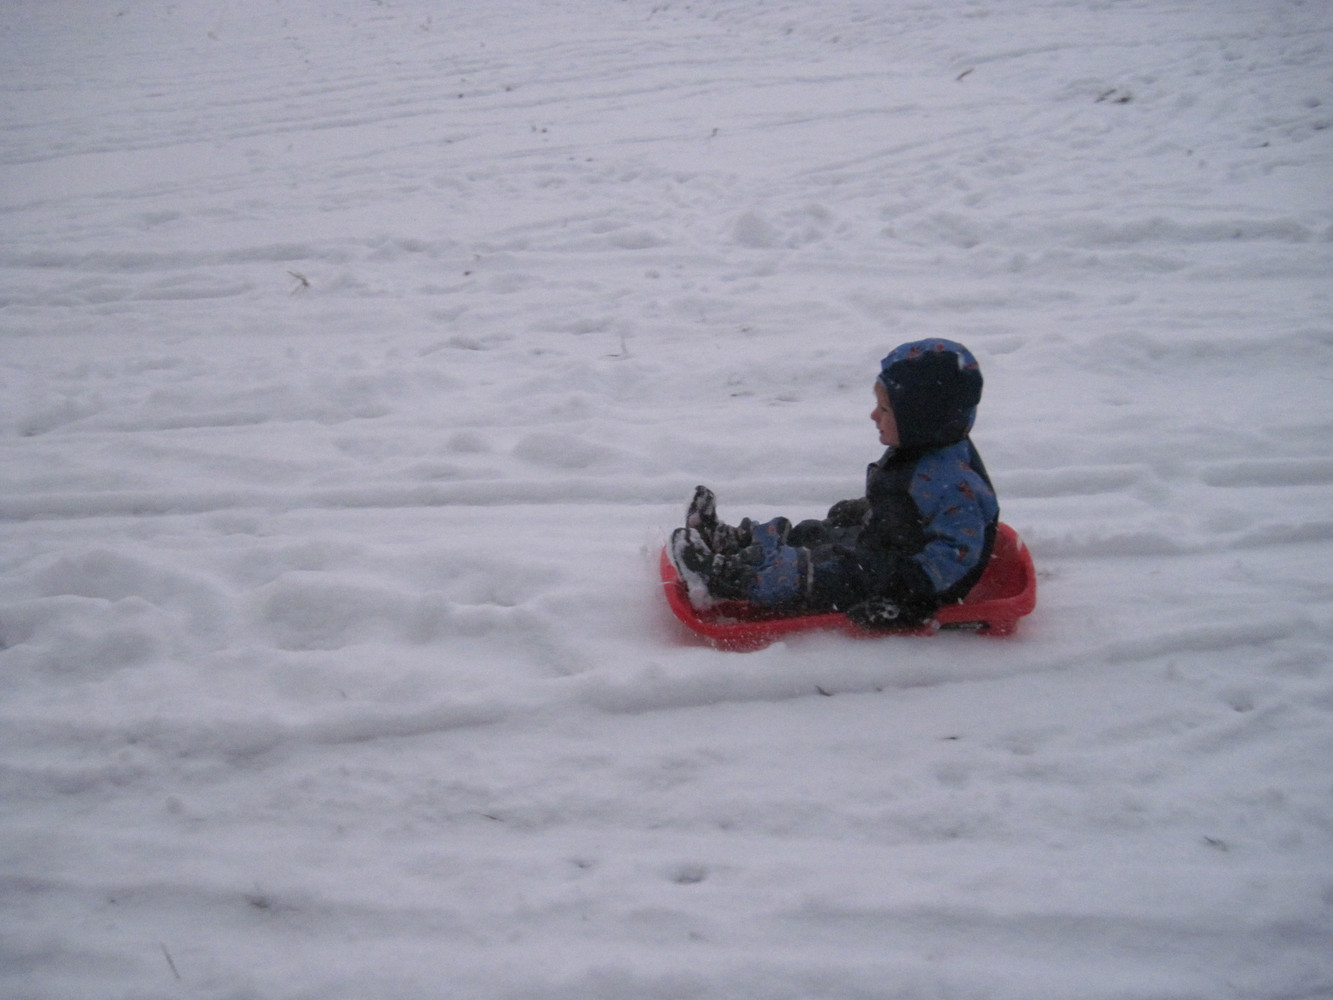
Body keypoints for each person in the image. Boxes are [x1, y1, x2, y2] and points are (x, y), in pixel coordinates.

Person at [671, 338, 999, 628]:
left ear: (921, 421)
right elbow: (915, 502)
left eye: (885, 409)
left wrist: (907, 599)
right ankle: (734, 542)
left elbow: (956, 555)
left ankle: (724, 579)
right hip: (888, 545)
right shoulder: (929, 444)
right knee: (820, 532)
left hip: (903, 580)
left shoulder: (954, 483)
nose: (874, 416)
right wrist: (871, 509)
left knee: (824, 572)